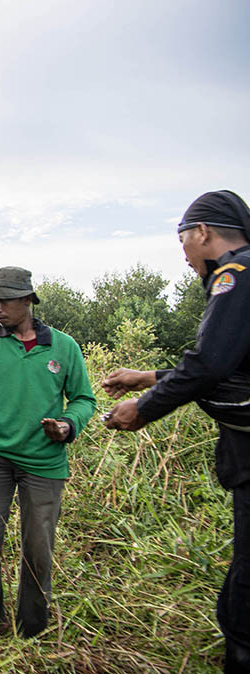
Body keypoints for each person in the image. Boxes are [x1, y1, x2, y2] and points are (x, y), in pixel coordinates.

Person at [103, 190, 250, 671]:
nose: (184, 255)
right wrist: (148, 377)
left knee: (244, 598)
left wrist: (142, 408)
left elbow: (209, 363)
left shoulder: (236, 276)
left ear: (202, 232)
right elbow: (234, 367)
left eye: (183, 240)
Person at [0, 266, 96, 638]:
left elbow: (82, 399)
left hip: (44, 460)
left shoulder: (64, 347)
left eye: (5, 299)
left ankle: (33, 627)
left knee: (37, 550)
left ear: (28, 300)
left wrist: (68, 425)